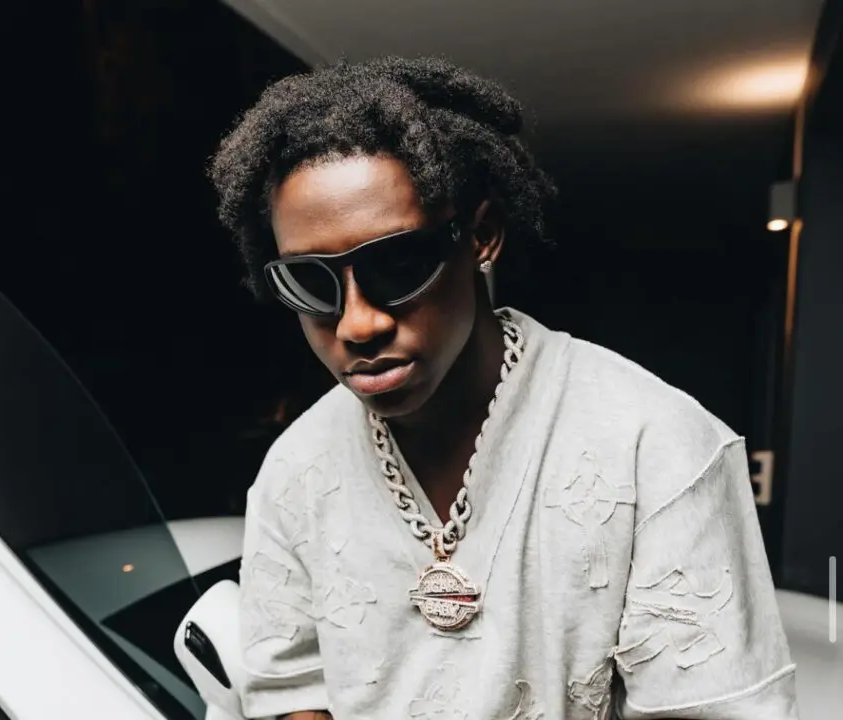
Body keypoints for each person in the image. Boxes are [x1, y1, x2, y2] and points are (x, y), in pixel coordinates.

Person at [209, 56, 798, 720]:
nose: (358, 324)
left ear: (482, 237)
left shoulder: (654, 446)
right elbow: (292, 690)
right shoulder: (294, 471)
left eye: (398, 264)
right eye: (310, 282)